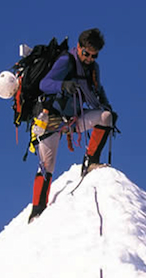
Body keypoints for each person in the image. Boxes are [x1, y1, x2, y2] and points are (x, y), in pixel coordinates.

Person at [28, 28, 115, 223]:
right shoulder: (66, 61)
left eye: (94, 55)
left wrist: (107, 105)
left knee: (106, 117)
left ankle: (90, 162)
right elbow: (44, 83)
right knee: (46, 166)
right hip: (50, 120)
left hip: (73, 118)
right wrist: (62, 85)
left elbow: (98, 90)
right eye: (86, 54)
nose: (89, 58)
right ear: (79, 47)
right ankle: (37, 212)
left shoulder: (93, 69)